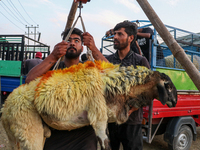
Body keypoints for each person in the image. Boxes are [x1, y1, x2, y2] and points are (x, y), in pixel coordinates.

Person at [25, 28, 105, 150]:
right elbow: (29, 79)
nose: (72, 43)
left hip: (84, 136)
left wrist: (94, 49)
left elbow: (114, 77)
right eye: (68, 40)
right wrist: (53, 56)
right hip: (57, 133)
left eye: (77, 40)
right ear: (62, 45)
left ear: (82, 47)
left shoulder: (89, 70)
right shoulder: (53, 70)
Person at [105, 21, 150, 150]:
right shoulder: (108, 61)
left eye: (120, 34)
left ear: (131, 38)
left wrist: (133, 108)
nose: (115, 37)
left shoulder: (140, 61)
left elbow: (149, 91)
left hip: (132, 122)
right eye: (115, 34)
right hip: (110, 120)